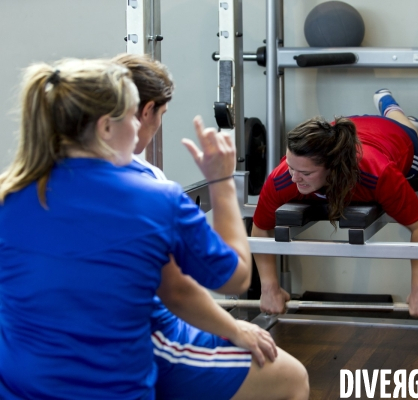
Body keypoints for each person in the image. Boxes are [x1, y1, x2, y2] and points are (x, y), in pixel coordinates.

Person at [0, 58, 252, 399]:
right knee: (293, 378)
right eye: (132, 116)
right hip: (117, 390)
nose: (138, 129)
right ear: (106, 127)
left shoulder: (8, 194)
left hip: (17, 386)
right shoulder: (158, 200)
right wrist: (221, 181)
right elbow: (236, 279)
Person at [113, 53, 309, 400]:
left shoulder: (26, 186)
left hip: (39, 343)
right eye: (161, 116)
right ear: (147, 112)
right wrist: (221, 179)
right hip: (136, 341)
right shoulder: (150, 190)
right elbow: (200, 285)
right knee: (292, 377)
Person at [252, 89, 418, 319]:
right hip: (348, 126)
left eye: (306, 173)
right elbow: (261, 227)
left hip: (392, 135)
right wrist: (269, 288)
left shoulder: (378, 174)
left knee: (410, 130)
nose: (294, 178)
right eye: (290, 166)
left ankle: (394, 110)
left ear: (333, 167)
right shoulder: (283, 177)